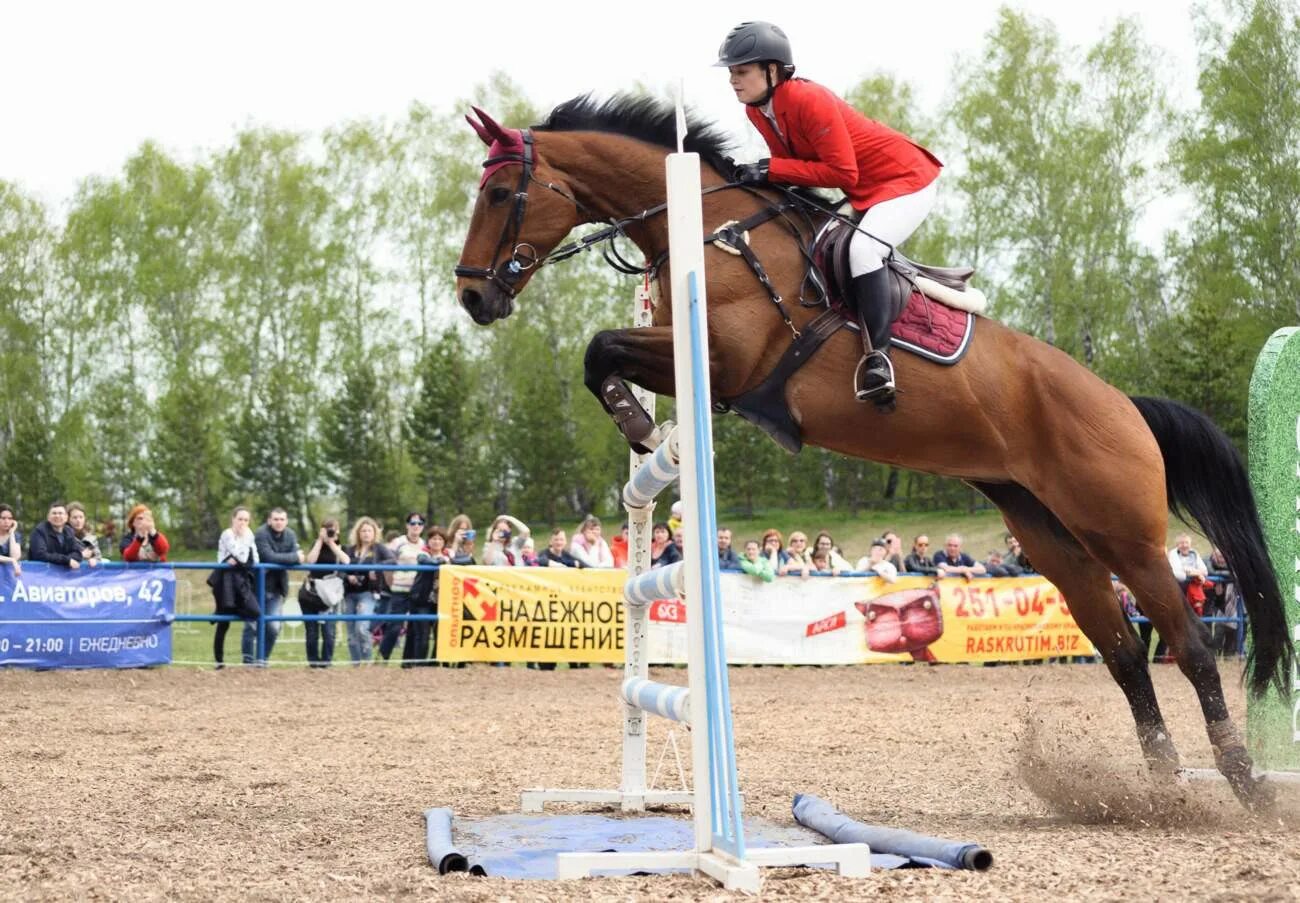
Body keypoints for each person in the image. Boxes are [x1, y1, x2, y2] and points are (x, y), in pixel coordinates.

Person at [717, 20, 942, 401]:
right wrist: (749, 175)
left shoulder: (808, 99)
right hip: (866, 191)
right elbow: (793, 168)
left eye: (742, 71)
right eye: (731, 73)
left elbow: (841, 172)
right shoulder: (759, 111)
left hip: (907, 180)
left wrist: (770, 169)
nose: (733, 81)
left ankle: (879, 360)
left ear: (772, 71)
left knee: (862, 250)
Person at [246, 508, 302, 665]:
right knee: (251, 626)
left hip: (277, 588)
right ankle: (247, 661)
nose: (279, 522)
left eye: (282, 519)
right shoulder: (261, 533)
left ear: (286, 521)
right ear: (269, 520)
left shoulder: (290, 534)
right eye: (276, 519)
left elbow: (298, 558)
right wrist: (292, 557)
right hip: (255, 587)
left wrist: (292, 558)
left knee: (273, 626)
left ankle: (262, 659)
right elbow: (267, 556)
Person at [342, 516, 392, 665]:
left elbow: (392, 560)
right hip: (349, 593)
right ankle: (355, 664)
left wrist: (376, 568)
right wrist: (348, 575)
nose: (366, 534)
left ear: (374, 532)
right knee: (351, 633)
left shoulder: (379, 548)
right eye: (363, 530)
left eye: (369, 530)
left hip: (368, 593)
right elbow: (340, 569)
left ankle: (367, 661)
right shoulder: (349, 550)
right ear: (358, 533)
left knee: (362, 627)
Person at [382, 512, 431, 662]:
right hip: (399, 590)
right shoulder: (398, 542)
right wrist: (390, 583)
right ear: (407, 525)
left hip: (416, 592)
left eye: (419, 523)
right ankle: (383, 657)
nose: (416, 526)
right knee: (395, 626)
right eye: (412, 523)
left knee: (414, 628)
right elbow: (386, 563)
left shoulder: (425, 545)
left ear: (423, 527)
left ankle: (408, 662)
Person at [214, 507, 259, 668]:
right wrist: (245, 543)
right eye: (240, 519)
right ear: (233, 519)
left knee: (255, 612)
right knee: (223, 623)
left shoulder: (249, 535)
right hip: (225, 580)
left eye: (246, 520)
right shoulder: (227, 534)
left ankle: (237, 609)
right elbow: (242, 556)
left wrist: (243, 553)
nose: (243, 523)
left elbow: (254, 559)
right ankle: (219, 661)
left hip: (241, 581)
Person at [302, 518, 350, 668]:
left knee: (329, 632)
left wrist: (331, 543)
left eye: (333, 528)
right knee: (311, 632)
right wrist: (320, 541)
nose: (330, 531)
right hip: (312, 593)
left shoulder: (342, 547)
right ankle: (314, 663)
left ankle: (326, 663)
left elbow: (346, 561)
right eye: (327, 528)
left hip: (330, 595)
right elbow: (310, 561)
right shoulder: (316, 545)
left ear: (338, 530)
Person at [28, 502, 93, 569]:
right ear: (48, 517)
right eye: (54, 513)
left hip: (63, 574)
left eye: (60, 513)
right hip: (40, 573)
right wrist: (67, 560)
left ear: (66, 517)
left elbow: (76, 553)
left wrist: (67, 559)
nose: (57, 516)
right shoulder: (39, 531)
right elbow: (40, 555)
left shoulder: (69, 531)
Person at [1168, 533, 1209, 616]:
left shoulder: (1194, 553)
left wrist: (1194, 573)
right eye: (1181, 543)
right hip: (1178, 591)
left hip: (1192, 592)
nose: (1184, 545)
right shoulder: (1173, 555)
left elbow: (1205, 571)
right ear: (1177, 545)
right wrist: (1197, 573)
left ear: (1190, 544)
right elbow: (1179, 574)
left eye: (1186, 543)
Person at [0, 504, 22, 576]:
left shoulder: (16, 535)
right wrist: (11, 560)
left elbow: (15, 556)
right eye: (3, 518)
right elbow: (13, 559)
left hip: (7, 578)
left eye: (10, 518)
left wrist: (12, 532)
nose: (6, 521)